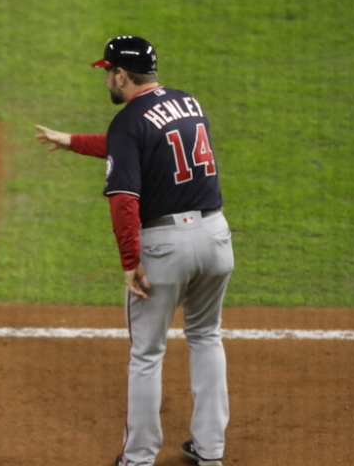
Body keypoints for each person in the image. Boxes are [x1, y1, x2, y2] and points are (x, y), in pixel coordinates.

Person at [34, 36, 233, 466]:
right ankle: (211, 451)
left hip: (166, 246)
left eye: (108, 72)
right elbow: (140, 146)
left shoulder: (128, 121)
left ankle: (139, 457)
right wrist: (72, 140)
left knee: (146, 353)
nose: (107, 78)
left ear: (122, 74)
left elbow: (124, 197)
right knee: (205, 337)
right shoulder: (188, 102)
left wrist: (130, 263)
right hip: (216, 236)